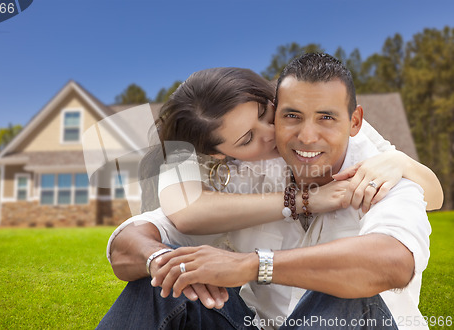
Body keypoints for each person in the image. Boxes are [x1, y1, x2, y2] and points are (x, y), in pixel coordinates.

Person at [98, 57, 439, 329]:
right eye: (247, 139)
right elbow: (140, 236)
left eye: (267, 114)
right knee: (162, 282)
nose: (284, 133)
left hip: (359, 322)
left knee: (352, 286)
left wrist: (253, 266)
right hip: (261, 325)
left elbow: (392, 261)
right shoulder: (237, 176)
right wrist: (163, 262)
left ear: (353, 121)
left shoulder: (377, 168)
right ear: (222, 154)